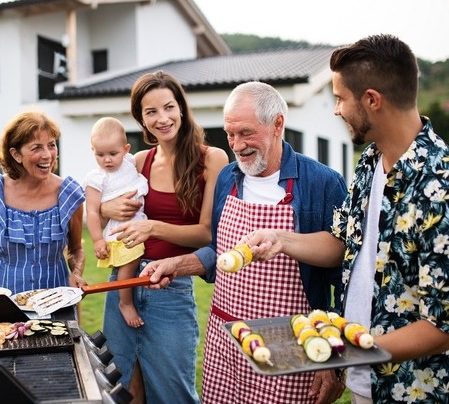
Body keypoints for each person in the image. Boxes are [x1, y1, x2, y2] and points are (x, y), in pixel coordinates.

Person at [241, 34, 449, 403]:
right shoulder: (370, 162)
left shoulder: (447, 186)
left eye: (340, 98)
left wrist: (348, 348)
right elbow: (341, 243)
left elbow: (443, 327)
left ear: (372, 100)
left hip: (416, 391)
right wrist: (281, 239)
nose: (336, 109)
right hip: (364, 383)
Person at [140, 81, 348, 403]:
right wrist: (178, 265)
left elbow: (344, 278)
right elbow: (219, 250)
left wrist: (334, 360)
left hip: (289, 343)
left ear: (278, 123)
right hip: (228, 341)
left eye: (246, 133)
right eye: (230, 134)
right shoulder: (228, 177)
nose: (236, 145)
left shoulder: (322, 183)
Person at [99, 70, 229, 403]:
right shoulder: (138, 161)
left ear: (182, 108)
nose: (162, 118)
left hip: (170, 289)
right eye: (151, 112)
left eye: (168, 107)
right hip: (124, 282)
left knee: (173, 393)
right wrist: (109, 208)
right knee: (122, 388)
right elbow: (101, 205)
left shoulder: (212, 159)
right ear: (140, 119)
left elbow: (208, 234)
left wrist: (153, 227)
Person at [0, 110, 86, 295]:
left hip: (55, 302)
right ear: (16, 154)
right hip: (2, 303)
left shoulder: (70, 194)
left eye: (51, 145)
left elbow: (76, 249)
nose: (47, 155)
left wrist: (76, 272)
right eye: (36, 147)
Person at [84, 117, 149, 328]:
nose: (107, 160)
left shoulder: (130, 162)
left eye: (113, 153)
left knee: (135, 262)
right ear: (92, 150)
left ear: (126, 149)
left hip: (139, 223)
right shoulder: (97, 178)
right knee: (128, 262)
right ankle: (125, 302)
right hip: (120, 231)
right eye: (100, 154)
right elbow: (92, 212)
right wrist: (97, 240)